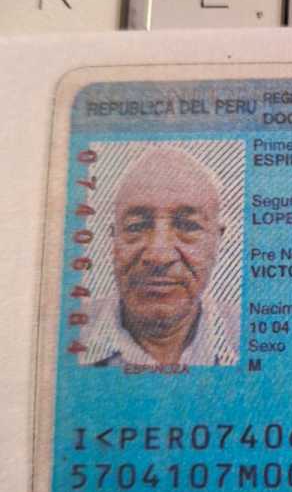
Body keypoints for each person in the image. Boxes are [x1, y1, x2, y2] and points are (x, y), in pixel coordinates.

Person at [81, 146, 239, 367]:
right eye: (136, 226)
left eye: (187, 226)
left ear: (216, 241)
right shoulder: (70, 332)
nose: (159, 255)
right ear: (114, 239)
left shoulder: (248, 334)